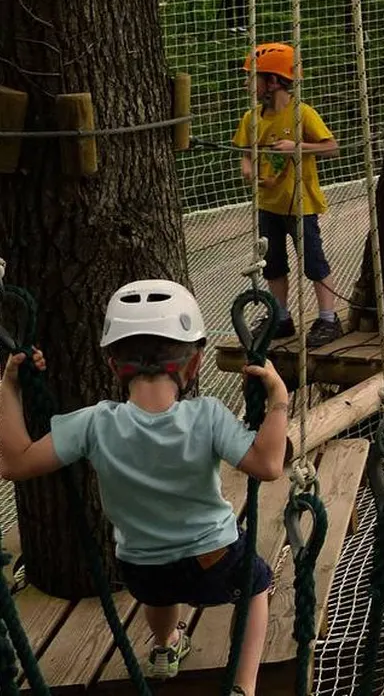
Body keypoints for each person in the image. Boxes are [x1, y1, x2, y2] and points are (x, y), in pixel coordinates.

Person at [0, 281, 288, 696]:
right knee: (257, 585)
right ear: (195, 365)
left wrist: (10, 384)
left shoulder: (95, 424)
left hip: (142, 567)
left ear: (115, 366)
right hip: (214, 557)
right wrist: (276, 398)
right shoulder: (207, 416)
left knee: (161, 593)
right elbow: (269, 464)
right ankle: (243, 687)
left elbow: (15, 462)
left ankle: (165, 645)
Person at [234, 43, 344, 346]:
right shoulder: (251, 118)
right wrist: (247, 167)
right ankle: (281, 318)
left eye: (252, 78)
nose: (247, 84)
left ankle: (328, 319)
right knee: (274, 264)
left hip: (300, 204)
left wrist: (297, 147)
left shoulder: (302, 114)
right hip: (269, 204)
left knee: (313, 262)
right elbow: (245, 150)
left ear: (273, 81)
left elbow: (332, 148)